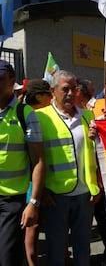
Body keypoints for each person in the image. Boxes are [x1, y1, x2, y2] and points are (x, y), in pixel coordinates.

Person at [36, 70, 101, 265]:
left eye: (74, 89)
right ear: (53, 91)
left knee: (83, 248)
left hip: (85, 195)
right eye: (66, 89)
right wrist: (42, 190)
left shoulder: (88, 116)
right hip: (55, 196)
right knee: (56, 249)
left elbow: (99, 155)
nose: (71, 93)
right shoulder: (40, 117)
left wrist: (97, 185)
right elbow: (34, 158)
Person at [0, 60, 45, 266]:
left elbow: (38, 161)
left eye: (0, 79)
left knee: (7, 258)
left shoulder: (25, 114)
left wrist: (33, 203)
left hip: (11, 202)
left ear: (12, 81)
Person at [23, 79, 52, 266]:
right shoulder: (32, 116)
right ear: (39, 96)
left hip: (37, 179)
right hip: (32, 180)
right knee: (32, 226)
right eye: (49, 94)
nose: (52, 97)